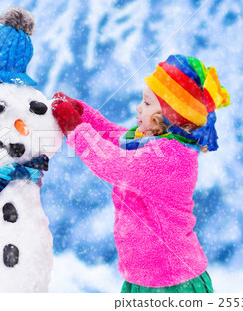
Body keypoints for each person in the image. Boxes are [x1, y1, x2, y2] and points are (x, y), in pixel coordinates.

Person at [51, 54, 230, 293]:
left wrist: (76, 129)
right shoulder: (151, 143)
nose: (138, 107)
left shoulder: (170, 156)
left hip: (172, 283)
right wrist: (83, 115)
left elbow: (114, 163)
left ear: (169, 114)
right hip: (146, 278)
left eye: (146, 103)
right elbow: (116, 139)